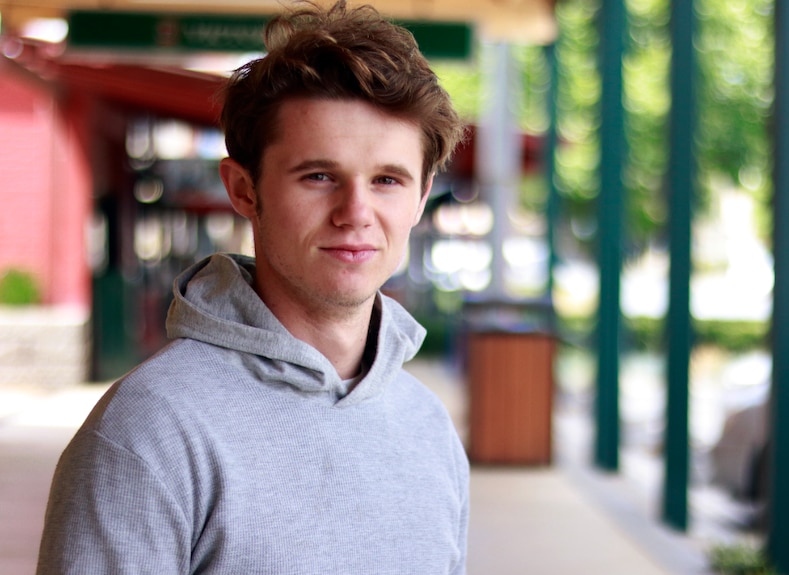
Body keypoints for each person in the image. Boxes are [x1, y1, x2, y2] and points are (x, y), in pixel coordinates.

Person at [36, 1, 468, 573]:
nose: (356, 213)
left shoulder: (429, 429)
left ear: (420, 197)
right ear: (243, 189)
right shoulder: (151, 430)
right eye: (319, 176)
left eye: (387, 180)